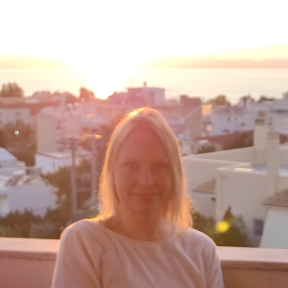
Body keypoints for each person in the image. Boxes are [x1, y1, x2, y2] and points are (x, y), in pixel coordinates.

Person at [51, 107, 224, 288]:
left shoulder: (201, 251)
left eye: (159, 166)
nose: (145, 181)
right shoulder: (85, 242)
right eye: (131, 165)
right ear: (113, 173)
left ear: (174, 175)